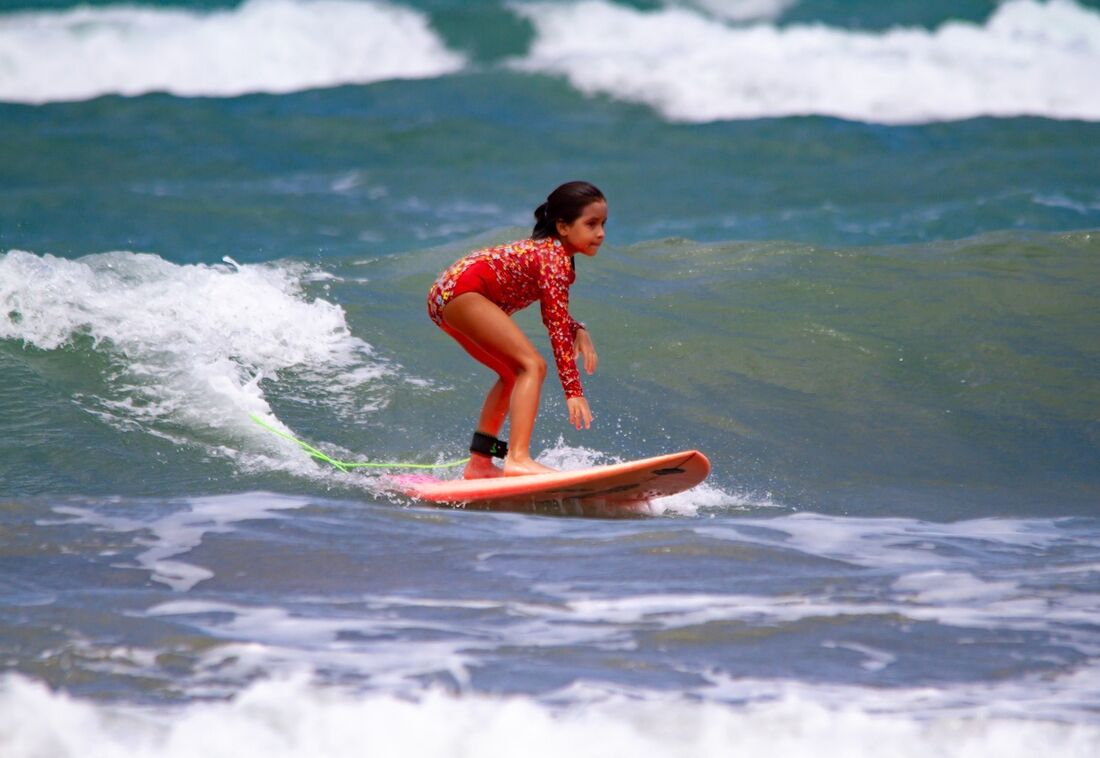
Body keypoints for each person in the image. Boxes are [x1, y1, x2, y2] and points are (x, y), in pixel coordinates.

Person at [427, 181, 606, 478]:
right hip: (464, 291)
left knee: (513, 374)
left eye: (602, 224)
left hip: (447, 294)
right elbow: (556, 332)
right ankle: (518, 458)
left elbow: (555, 318)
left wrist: (578, 328)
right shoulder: (554, 259)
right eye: (591, 224)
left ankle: (481, 462)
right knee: (532, 366)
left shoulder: (555, 256)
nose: (600, 233)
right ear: (563, 227)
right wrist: (573, 391)